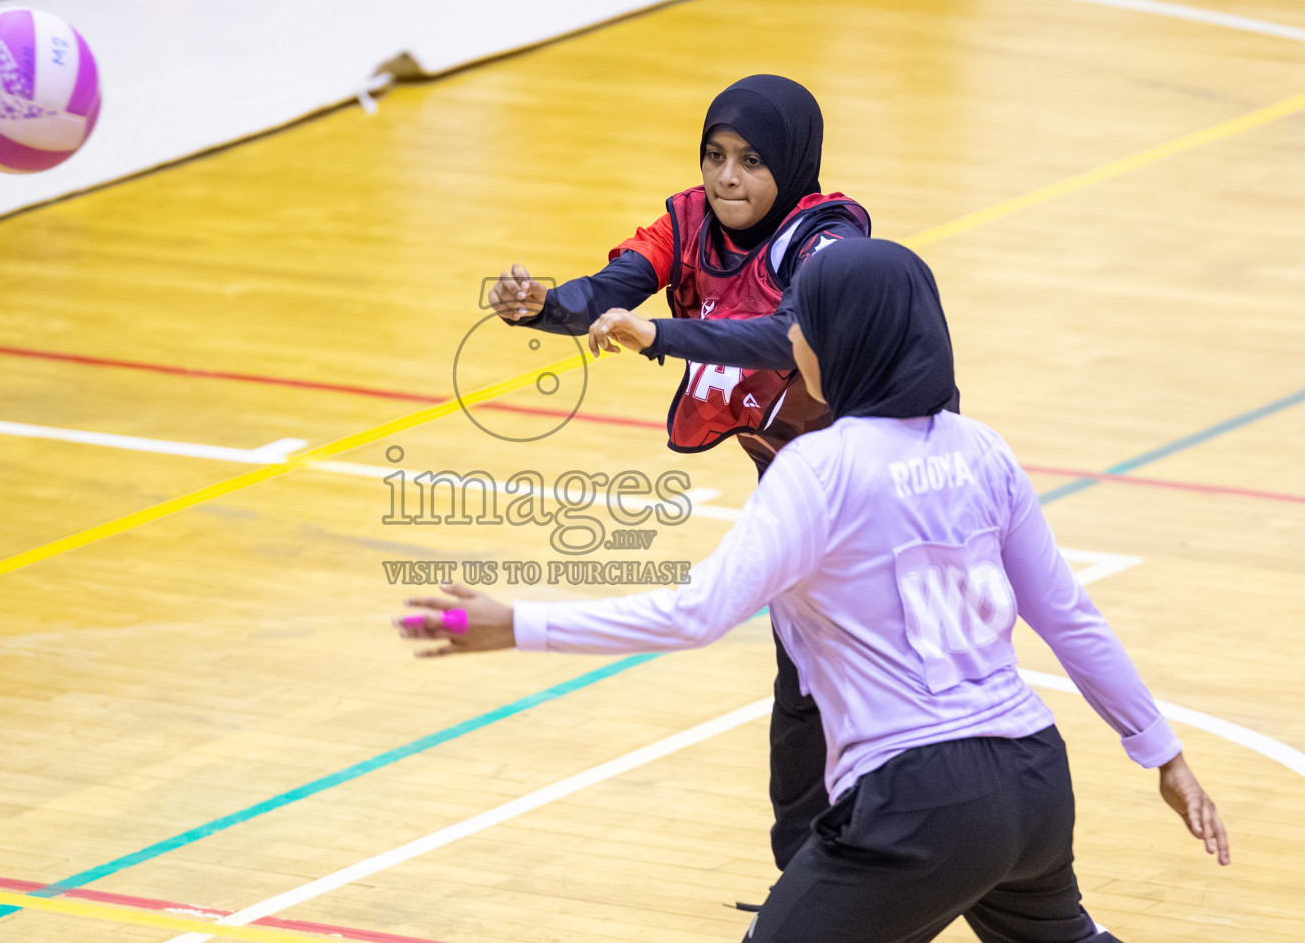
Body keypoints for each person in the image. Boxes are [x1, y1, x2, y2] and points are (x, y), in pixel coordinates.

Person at [405, 237, 1227, 943]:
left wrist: (518, 624)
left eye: (805, 320)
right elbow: (1068, 616)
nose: (789, 334)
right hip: (1036, 781)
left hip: (919, 800)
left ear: (849, 337)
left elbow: (695, 614)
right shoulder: (982, 448)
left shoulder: (817, 469)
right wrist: (1164, 754)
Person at [488, 74, 877, 872]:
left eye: (751, 161)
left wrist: (657, 336)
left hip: (877, 478)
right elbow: (609, 293)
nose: (727, 177)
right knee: (801, 677)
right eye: (715, 155)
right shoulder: (687, 220)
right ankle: (808, 871)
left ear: (794, 163)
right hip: (793, 482)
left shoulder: (827, 239)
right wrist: (543, 306)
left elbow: (780, 338)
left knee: (876, 671)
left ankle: (914, 851)